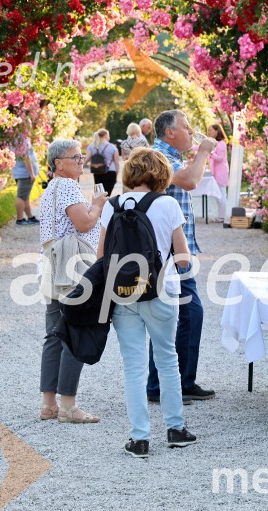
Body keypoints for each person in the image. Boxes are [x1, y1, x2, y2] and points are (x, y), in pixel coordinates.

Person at [97, 148, 196, 458]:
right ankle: (175, 429)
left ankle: (139, 437)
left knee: (133, 367)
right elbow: (183, 260)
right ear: (160, 174)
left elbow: (100, 258)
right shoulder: (167, 204)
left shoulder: (111, 206)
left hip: (122, 293)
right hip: (161, 292)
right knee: (167, 360)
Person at [147, 110, 218, 403]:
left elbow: (190, 179)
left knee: (184, 314)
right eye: (187, 128)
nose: (192, 132)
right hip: (166, 253)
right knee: (179, 315)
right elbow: (189, 181)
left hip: (177, 251)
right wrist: (203, 150)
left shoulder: (168, 155)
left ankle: (179, 381)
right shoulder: (158, 156)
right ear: (170, 133)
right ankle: (160, 386)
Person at [37, 139, 108, 423]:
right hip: (74, 268)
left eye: (82, 157)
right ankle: (68, 406)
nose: (81, 161)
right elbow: (85, 223)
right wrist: (98, 205)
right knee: (74, 332)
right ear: (58, 163)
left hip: (54, 266)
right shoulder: (66, 186)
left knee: (54, 334)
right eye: (75, 157)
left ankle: (48, 404)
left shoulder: (51, 188)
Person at [10, 120, 40, 226]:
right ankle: (20, 219)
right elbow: (25, 158)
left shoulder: (15, 138)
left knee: (25, 196)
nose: (31, 127)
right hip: (25, 173)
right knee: (21, 196)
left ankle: (30, 217)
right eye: (29, 125)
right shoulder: (21, 139)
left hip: (20, 172)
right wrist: (31, 174)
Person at [84, 129, 121, 196]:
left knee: (99, 195)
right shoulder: (113, 147)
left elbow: (87, 159)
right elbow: (117, 163)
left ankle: (99, 206)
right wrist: (116, 175)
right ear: (105, 136)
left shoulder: (92, 146)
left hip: (97, 172)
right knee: (107, 195)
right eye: (108, 136)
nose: (109, 137)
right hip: (110, 172)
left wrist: (80, 166)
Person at [207, 123, 229, 223]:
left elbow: (220, 159)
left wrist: (210, 152)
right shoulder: (216, 143)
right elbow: (200, 148)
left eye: (211, 130)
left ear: (217, 131)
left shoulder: (221, 144)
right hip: (216, 172)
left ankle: (223, 217)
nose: (209, 132)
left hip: (221, 172)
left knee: (221, 195)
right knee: (218, 195)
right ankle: (221, 216)